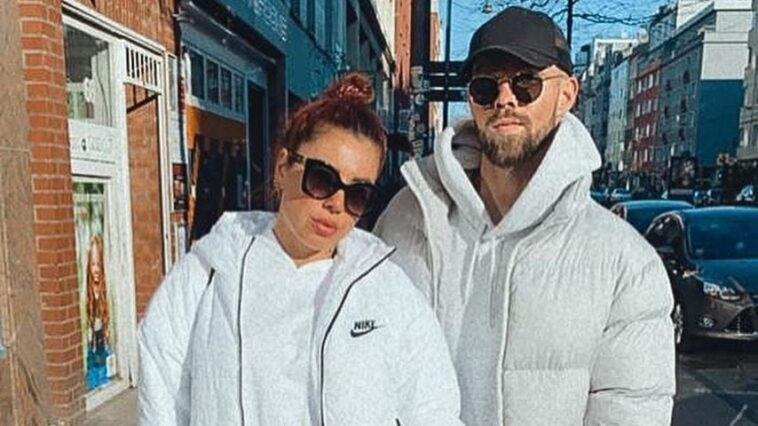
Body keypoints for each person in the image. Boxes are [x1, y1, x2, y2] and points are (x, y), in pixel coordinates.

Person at [374, 7, 675, 426]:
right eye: (485, 87)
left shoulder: (624, 263)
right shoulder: (409, 217)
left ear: (566, 94)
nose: (505, 99)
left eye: (526, 83)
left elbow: (631, 412)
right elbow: (364, 371)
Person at [138, 73, 463, 425]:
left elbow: (434, 409)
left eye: (357, 194)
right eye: (322, 179)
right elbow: (161, 397)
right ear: (283, 168)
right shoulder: (208, 274)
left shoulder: (387, 290)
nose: (336, 204)